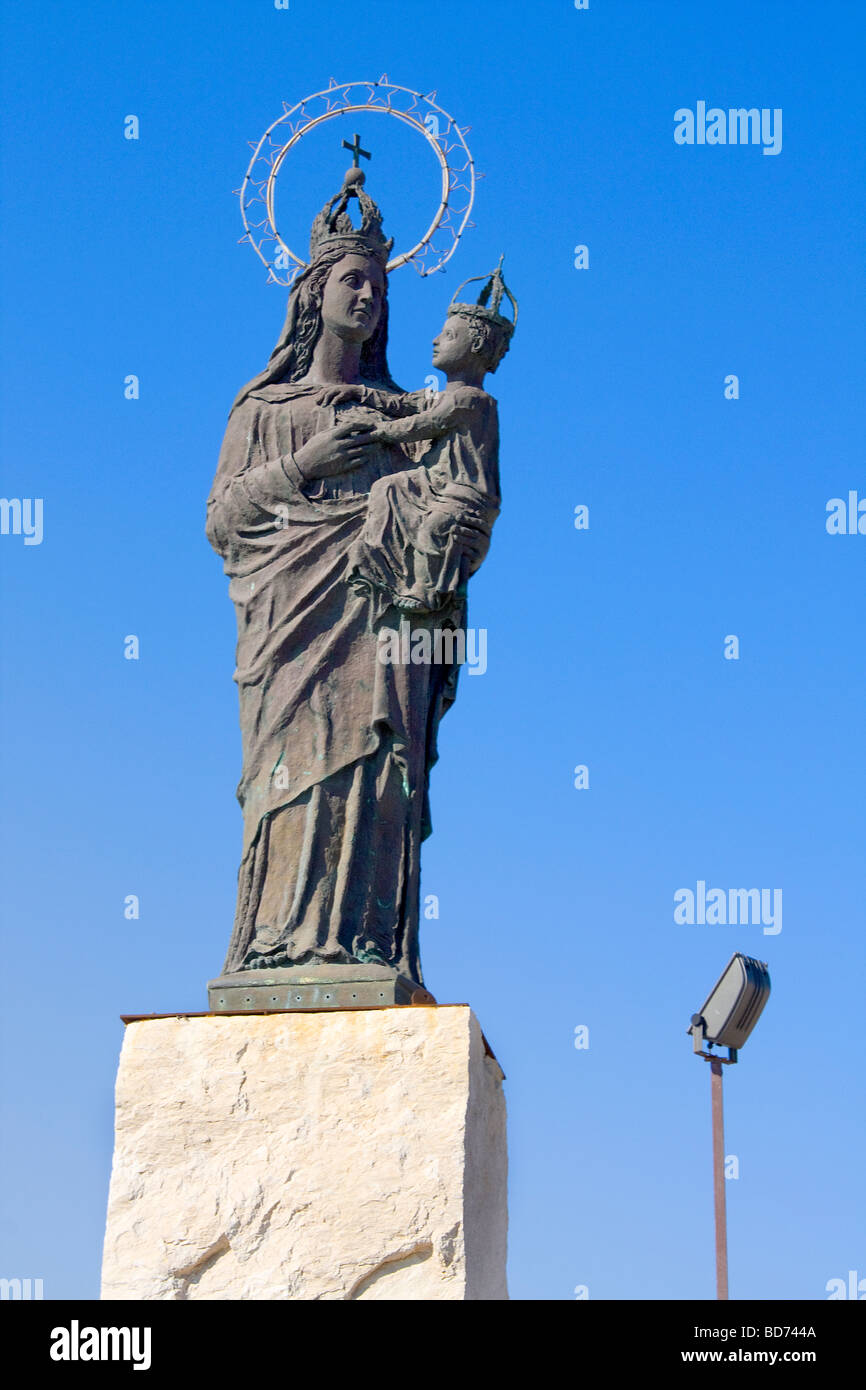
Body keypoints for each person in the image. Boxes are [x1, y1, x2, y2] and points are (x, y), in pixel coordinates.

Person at [206, 178, 492, 987]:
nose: (366, 295)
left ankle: (365, 946)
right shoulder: (264, 408)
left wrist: (457, 539)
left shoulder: (412, 412)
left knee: (377, 772)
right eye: (351, 280)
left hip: (386, 627)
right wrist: (307, 465)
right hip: (290, 626)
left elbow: (458, 515)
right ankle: (275, 945)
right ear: (314, 293)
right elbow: (224, 522)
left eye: (379, 284)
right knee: (288, 778)